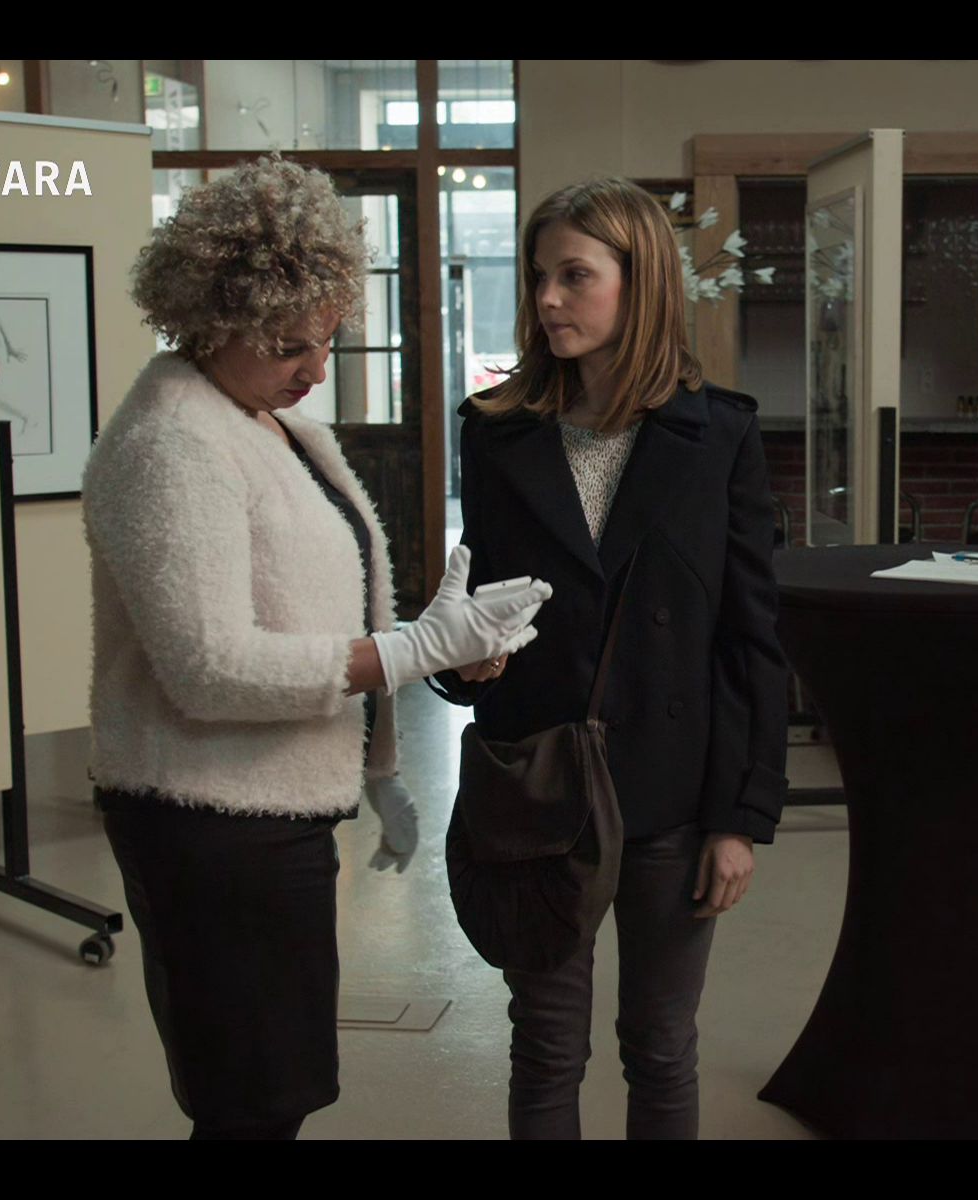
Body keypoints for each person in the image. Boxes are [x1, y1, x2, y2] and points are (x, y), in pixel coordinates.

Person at [83, 155, 550, 1140]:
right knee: (252, 1102)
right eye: (290, 343)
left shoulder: (268, 418)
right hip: (209, 821)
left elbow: (320, 597)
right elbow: (210, 669)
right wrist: (411, 653)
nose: (317, 368)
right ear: (211, 320)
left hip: (274, 813)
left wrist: (385, 753)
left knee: (278, 1093)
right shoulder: (173, 443)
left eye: (328, 337)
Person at [432, 177, 789, 1139]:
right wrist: (462, 661)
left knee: (661, 1046)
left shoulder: (718, 435)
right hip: (540, 783)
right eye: (538, 276)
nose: (547, 299)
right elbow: (474, 602)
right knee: (546, 1046)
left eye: (574, 276)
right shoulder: (497, 430)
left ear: (642, 282)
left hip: (674, 793)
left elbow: (751, 638)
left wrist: (741, 818)